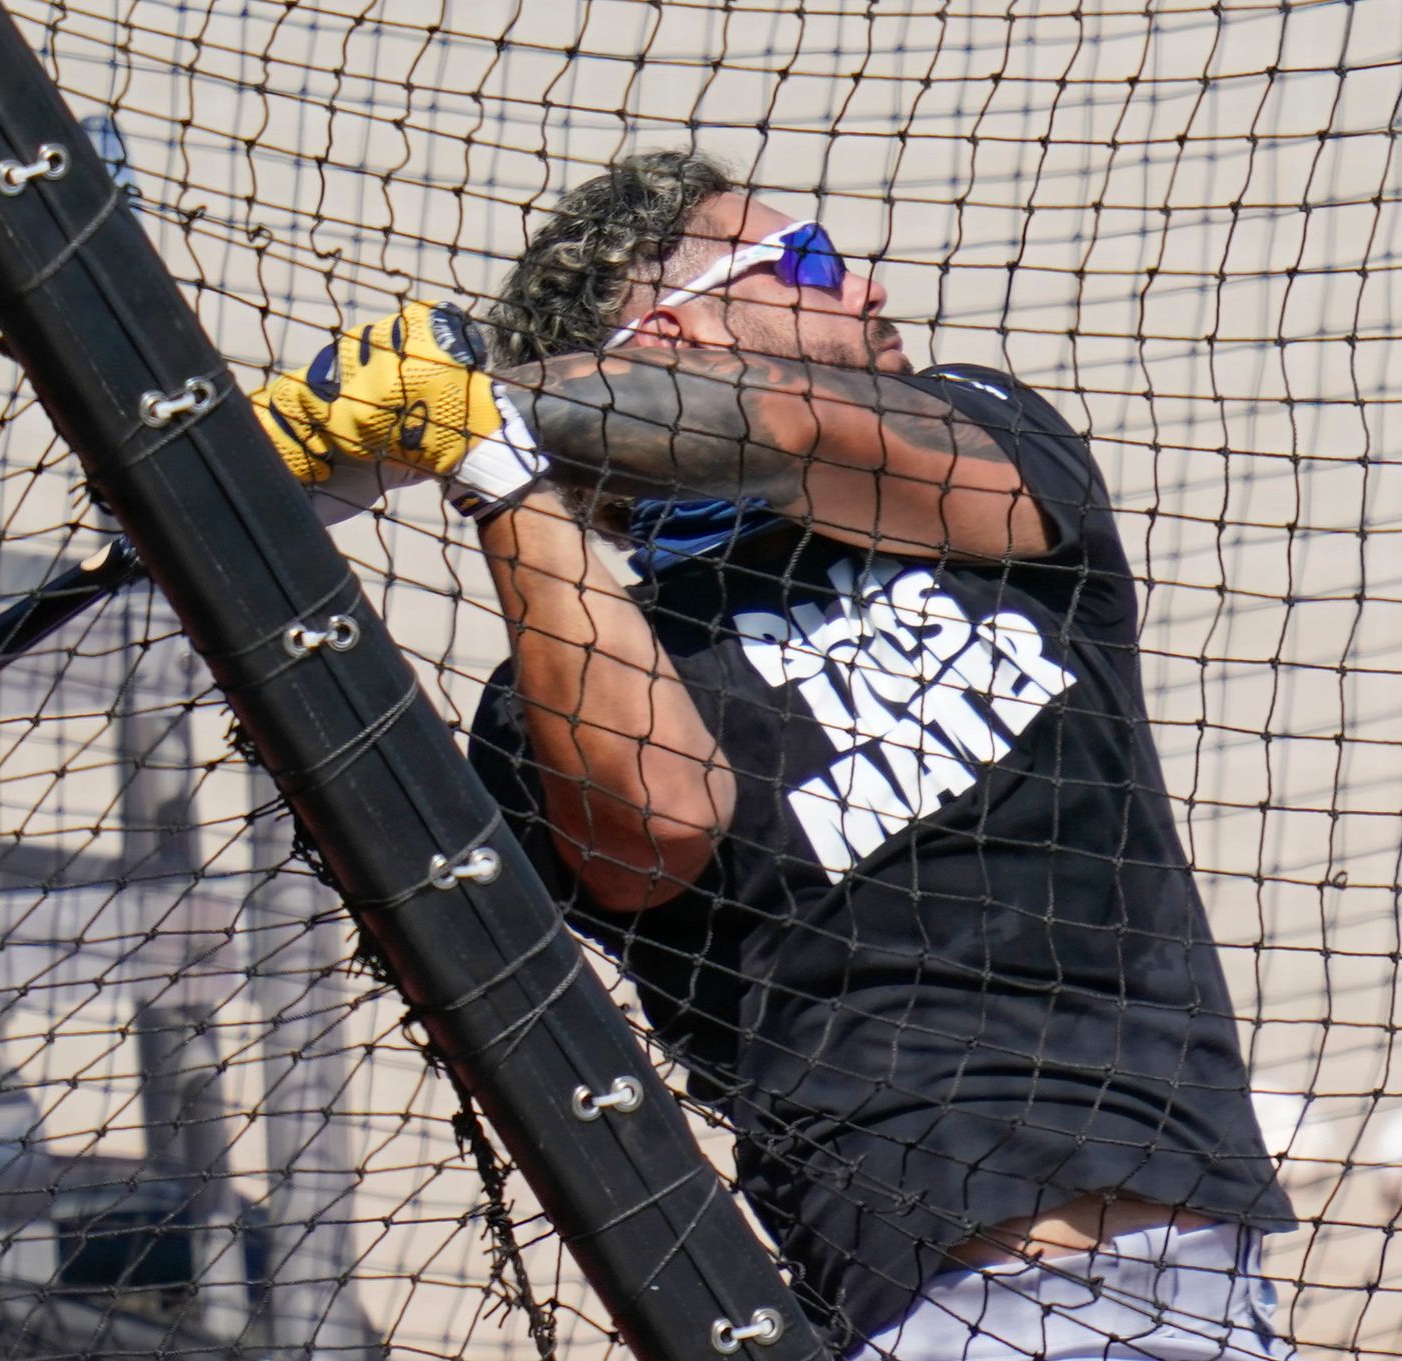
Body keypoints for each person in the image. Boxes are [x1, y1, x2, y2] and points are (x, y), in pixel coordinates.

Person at [250, 149, 1297, 1360]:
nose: (860, 284)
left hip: (1206, 1287)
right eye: (805, 259)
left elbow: (788, 425)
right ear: (671, 333)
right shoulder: (559, 687)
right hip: (936, 1309)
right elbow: (659, 823)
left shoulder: (988, 444)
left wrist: (467, 408)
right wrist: (489, 471)